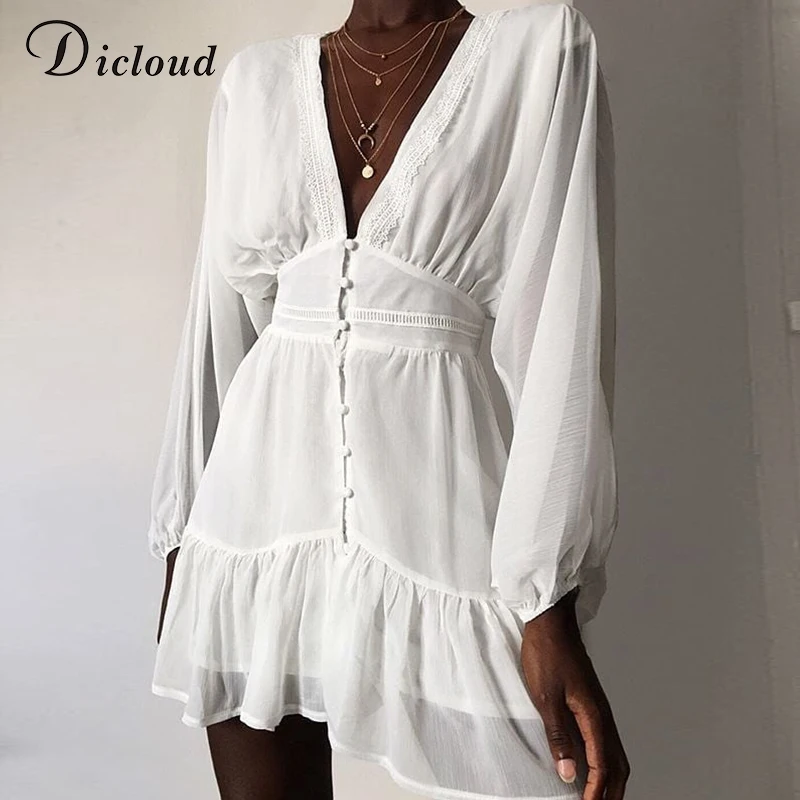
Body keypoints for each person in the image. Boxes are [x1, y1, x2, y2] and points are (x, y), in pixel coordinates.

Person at [148, 1, 630, 798]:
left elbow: (563, 333)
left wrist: (547, 604)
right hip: (251, 532)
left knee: (548, 777)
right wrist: (180, 541)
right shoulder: (255, 82)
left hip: (435, 514)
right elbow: (219, 327)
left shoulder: (540, 50)